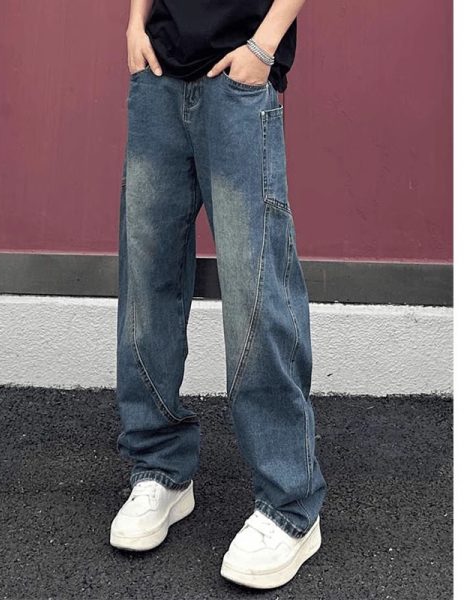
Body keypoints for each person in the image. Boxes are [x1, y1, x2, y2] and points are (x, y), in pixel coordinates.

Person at [110, 0, 327, 589]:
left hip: (238, 80)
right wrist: (135, 23)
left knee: (256, 291)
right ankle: (159, 469)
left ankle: (290, 504)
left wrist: (263, 48)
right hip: (158, 74)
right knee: (147, 285)